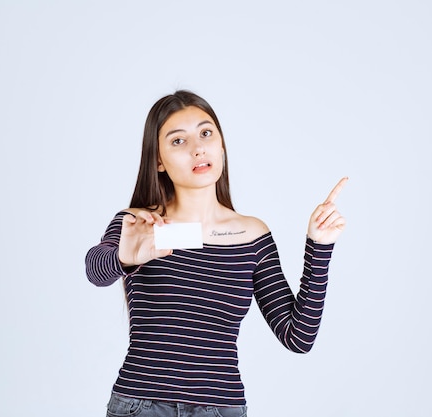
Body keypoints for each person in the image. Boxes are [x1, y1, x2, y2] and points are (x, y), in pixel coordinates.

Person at [85, 90, 347, 417]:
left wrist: (319, 247)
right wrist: (124, 258)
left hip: (221, 409)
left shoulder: (252, 235)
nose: (198, 149)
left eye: (206, 134)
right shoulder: (141, 223)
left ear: (221, 145)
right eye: (178, 141)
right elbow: (95, 270)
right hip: (141, 405)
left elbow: (298, 337)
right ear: (159, 161)